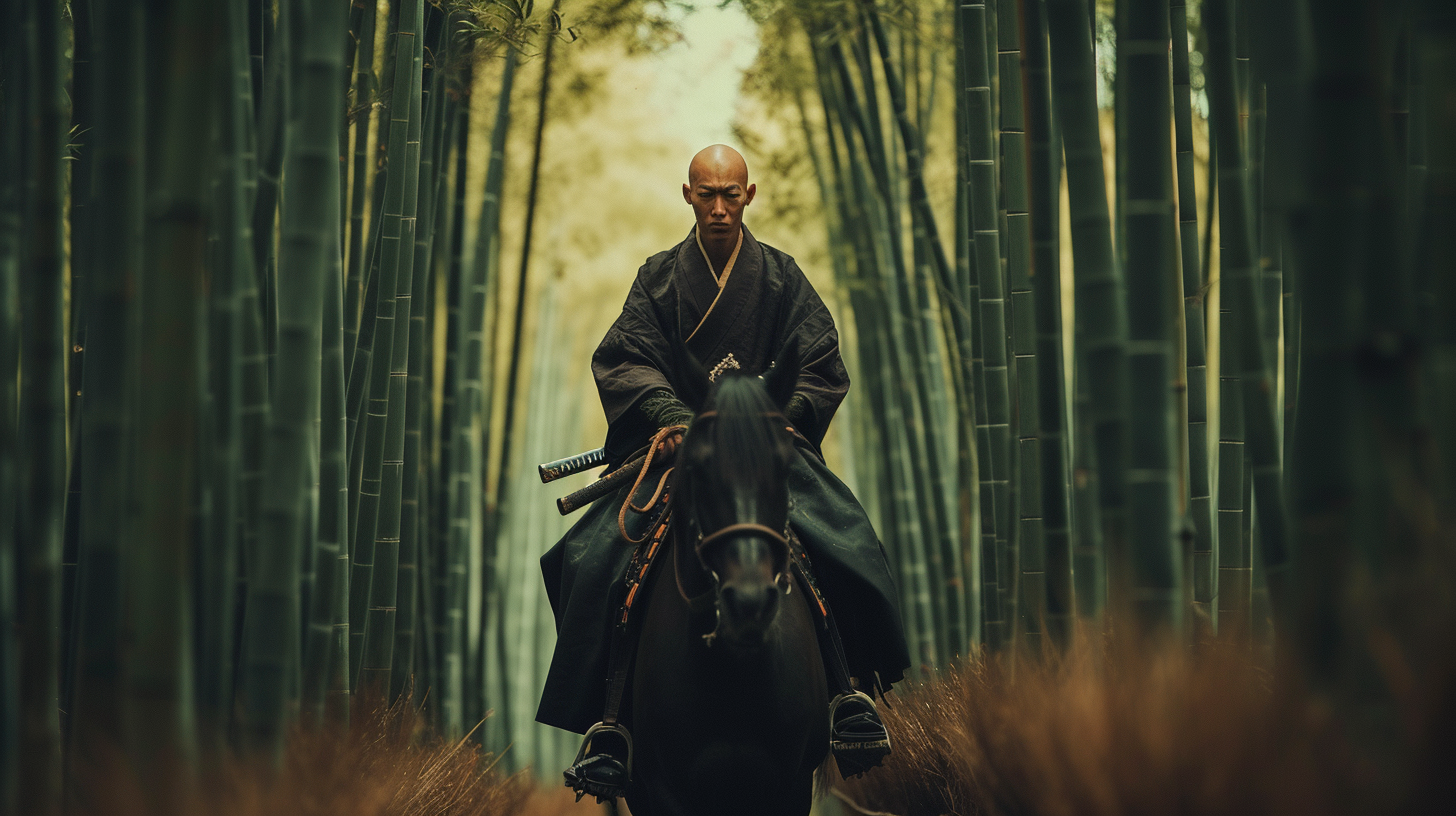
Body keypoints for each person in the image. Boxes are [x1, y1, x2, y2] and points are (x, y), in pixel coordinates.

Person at [537, 145, 910, 800]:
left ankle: (849, 696)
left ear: (750, 195)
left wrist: (772, 414)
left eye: (729, 194)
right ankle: (611, 723)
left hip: (764, 448)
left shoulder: (780, 279)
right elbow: (626, 359)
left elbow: (817, 360)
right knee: (589, 557)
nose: (717, 206)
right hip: (683, 449)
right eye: (705, 194)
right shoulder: (657, 279)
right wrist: (673, 415)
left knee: (849, 542)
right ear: (687, 195)